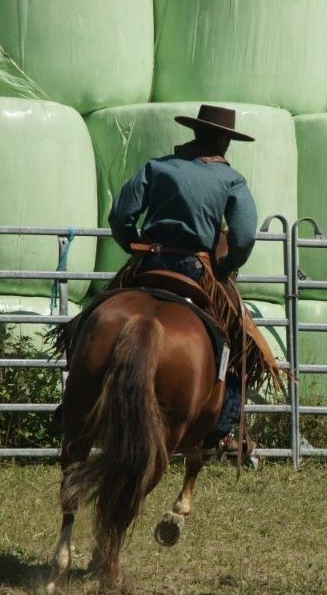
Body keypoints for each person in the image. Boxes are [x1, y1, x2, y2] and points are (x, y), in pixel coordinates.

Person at [107, 104, 273, 456]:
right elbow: (244, 237)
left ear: (195, 132)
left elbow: (121, 215)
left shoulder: (158, 167)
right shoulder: (231, 180)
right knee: (241, 347)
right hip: (197, 269)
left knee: (91, 320)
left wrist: (133, 246)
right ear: (225, 140)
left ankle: (74, 392)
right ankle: (219, 430)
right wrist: (226, 266)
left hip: (148, 260)